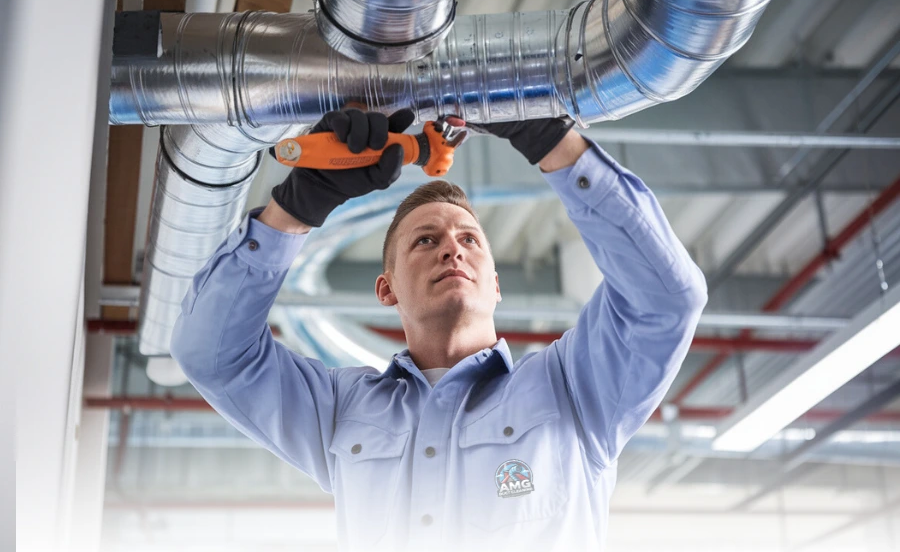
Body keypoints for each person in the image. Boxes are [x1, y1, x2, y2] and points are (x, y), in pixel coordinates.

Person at [171, 108, 708, 552]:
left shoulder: (574, 389)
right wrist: (293, 209)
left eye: (470, 240)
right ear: (387, 290)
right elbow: (212, 355)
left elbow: (666, 299)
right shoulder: (339, 413)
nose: (453, 246)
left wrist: (554, 142)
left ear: (495, 284)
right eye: (425, 241)